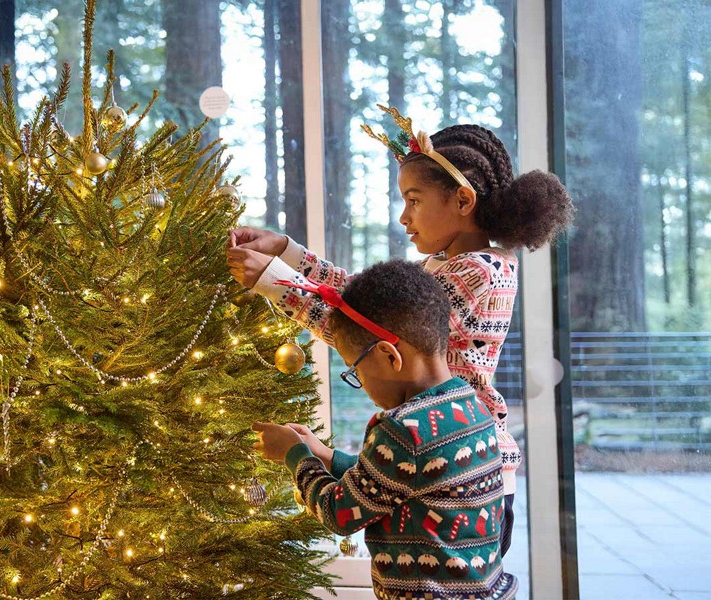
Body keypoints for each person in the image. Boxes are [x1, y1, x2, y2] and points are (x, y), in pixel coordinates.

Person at [229, 108, 573, 555]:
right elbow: (366, 299)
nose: (403, 217)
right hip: (432, 453)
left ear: (463, 201)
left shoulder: (480, 272)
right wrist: (288, 253)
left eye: (414, 200)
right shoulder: (446, 264)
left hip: (459, 461)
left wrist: (273, 282)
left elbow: (372, 333)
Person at [253, 260, 516, 600]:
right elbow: (397, 481)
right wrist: (325, 455)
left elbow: (340, 513)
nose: (359, 383)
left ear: (390, 356)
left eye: (355, 371)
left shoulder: (402, 428)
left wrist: (295, 455)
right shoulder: (470, 405)